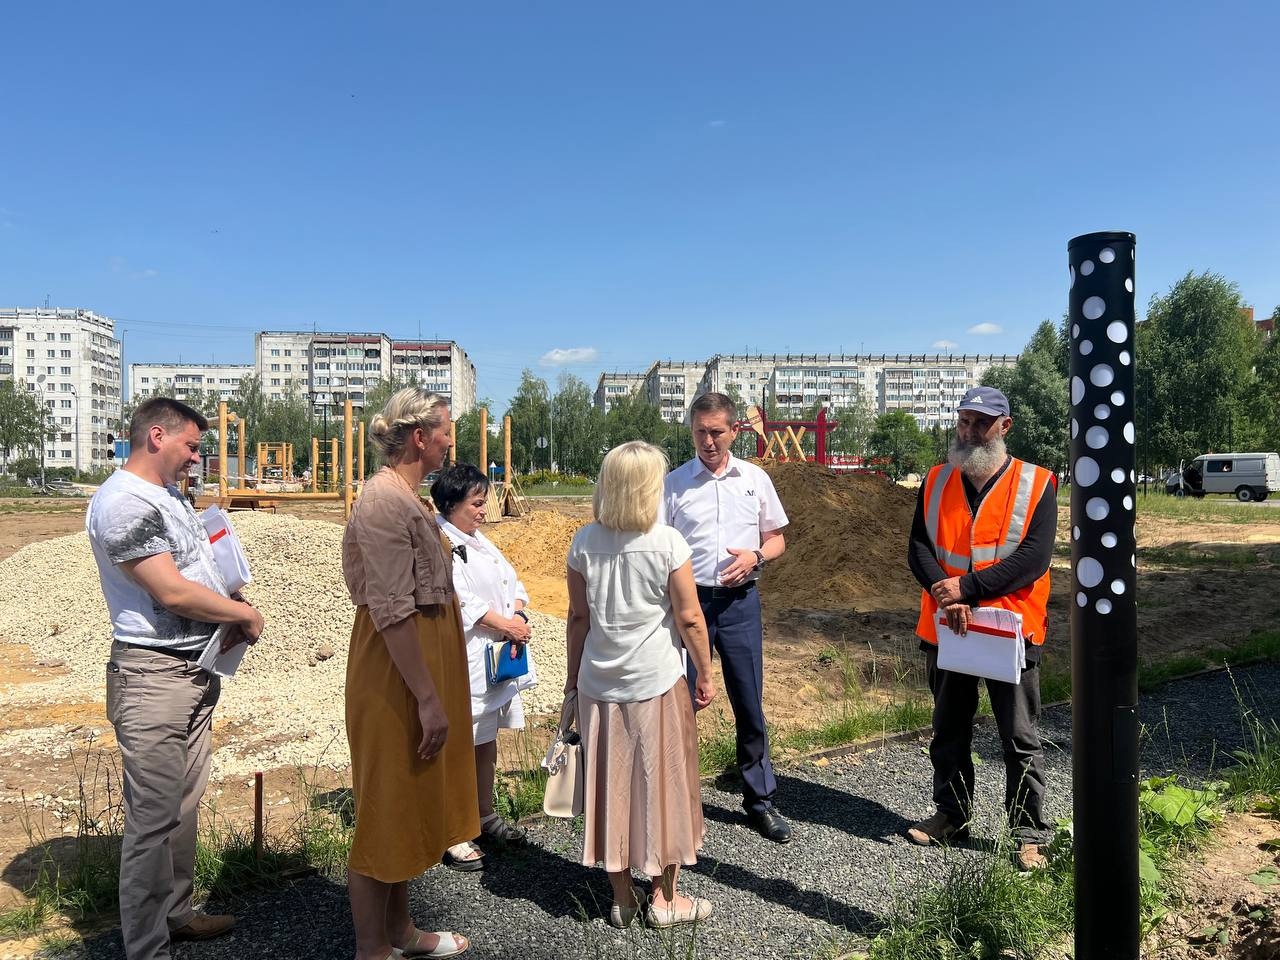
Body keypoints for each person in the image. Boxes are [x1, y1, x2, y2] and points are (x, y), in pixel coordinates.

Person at [85, 397, 265, 960]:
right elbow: (168, 589)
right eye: (190, 446)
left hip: (192, 669)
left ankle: (177, 914)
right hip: (152, 677)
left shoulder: (165, 497)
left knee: (182, 806)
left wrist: (228, 598)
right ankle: (147, 948)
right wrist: (243, 614)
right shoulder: (121, 504)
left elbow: (197, 571)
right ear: (156, 436)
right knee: (152, 820)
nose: (196, 458)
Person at [341, 387, 477, 960]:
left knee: (406, 803)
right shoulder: (382, 502)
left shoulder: (409, 498)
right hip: (396, 676)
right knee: (384, 808)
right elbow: (393, 612)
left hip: (418, 667)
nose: (452, 440)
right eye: (446, 429)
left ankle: (400, 931)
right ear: (421, 436)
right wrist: (426, 697)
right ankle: (372, 947)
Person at [566, 441, 718, 928]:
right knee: (665, 786)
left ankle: (621, 899)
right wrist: (706, 673)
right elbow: (690, 618)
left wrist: (572, 682)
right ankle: (665, 898)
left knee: (611, 790)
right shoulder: (667, 542)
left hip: (599, 687)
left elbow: (577, 619)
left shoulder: (584, 541)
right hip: (655, 683)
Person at [906, 386, 1057, 871]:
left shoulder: (1037, 484)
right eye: (964, 421)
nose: (968, 431)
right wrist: (942, 591)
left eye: (980, 423)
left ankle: (1028, 832)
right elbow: (919, 548)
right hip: (948, 628)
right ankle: (951, 815)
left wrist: (966, 589)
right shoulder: (935, 480)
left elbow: (1032, 559)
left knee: (1018, 736)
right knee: (949, 729)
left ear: (1004, 428)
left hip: (1010, 631)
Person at [662, 392, 792, 843]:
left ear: (734, 431)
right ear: (691, 432)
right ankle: (677, 800)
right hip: (687, 607)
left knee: (748, 701)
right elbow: (661, 547)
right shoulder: (674, 484)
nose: (709, 441)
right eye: (700, 432)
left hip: (739, 605)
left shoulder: (754, 479)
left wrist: (756, 555)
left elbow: (776, 539)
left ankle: (760, 801)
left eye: (717, 432)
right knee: (679, 704)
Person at [432, 463, 537, 864]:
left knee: (485, 739)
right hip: (466, 656)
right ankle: (453, 827)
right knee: (460, 742)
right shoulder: (441, 542)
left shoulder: (479, 540)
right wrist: (506, 625)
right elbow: (459, 600)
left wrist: (519, 617)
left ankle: (482, 812)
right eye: (476, 503)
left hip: (495, 656)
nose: (482, 510)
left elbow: (513, 584)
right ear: (450, 504)